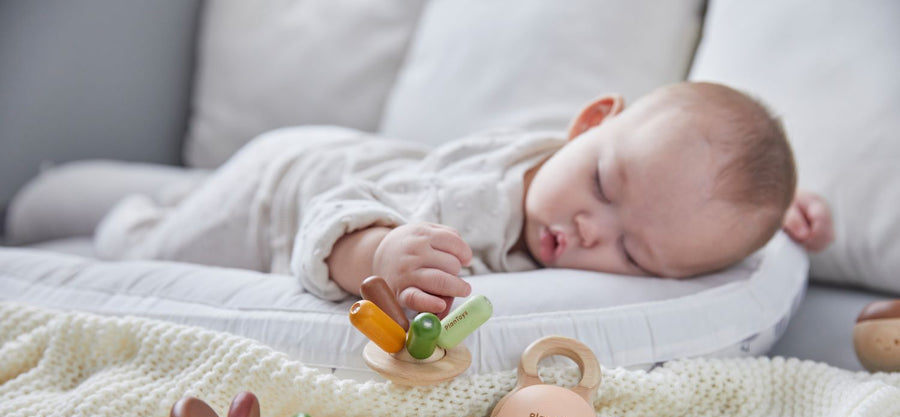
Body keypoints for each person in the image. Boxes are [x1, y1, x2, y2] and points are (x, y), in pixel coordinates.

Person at [95, 82, 833, 318]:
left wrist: (776, 219)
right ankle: (123, 211)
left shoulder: (650, 184)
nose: (586, 228)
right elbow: (327, 220)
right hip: (284, 192)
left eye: (632, 250)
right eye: (604, 187)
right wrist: (378, 253)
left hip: (354, 163)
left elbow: (703, 195)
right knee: (145, 248)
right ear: (585, 125)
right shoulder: (470, 204)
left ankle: (170, 194)